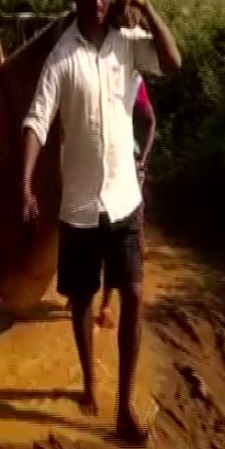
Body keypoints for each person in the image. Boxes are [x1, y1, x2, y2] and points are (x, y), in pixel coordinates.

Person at [21, 0, 180, 447]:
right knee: (83, 299)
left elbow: (173, 62)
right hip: (81, 208)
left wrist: (149, 9)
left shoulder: (128, 41)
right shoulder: (61, 57)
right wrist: (24, 182)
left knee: (132, 294)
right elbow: (36, 122)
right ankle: (89, 380)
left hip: (125, 199)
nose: (99, 0)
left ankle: (122, 407)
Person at [92, 72, 156, 330]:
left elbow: (150, 120)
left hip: (125, 166)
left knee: (115, 239)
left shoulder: (134, 80)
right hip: (97, 164)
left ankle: (104, 305)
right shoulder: (93, 75)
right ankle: (86, 296)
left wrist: (142, 161)